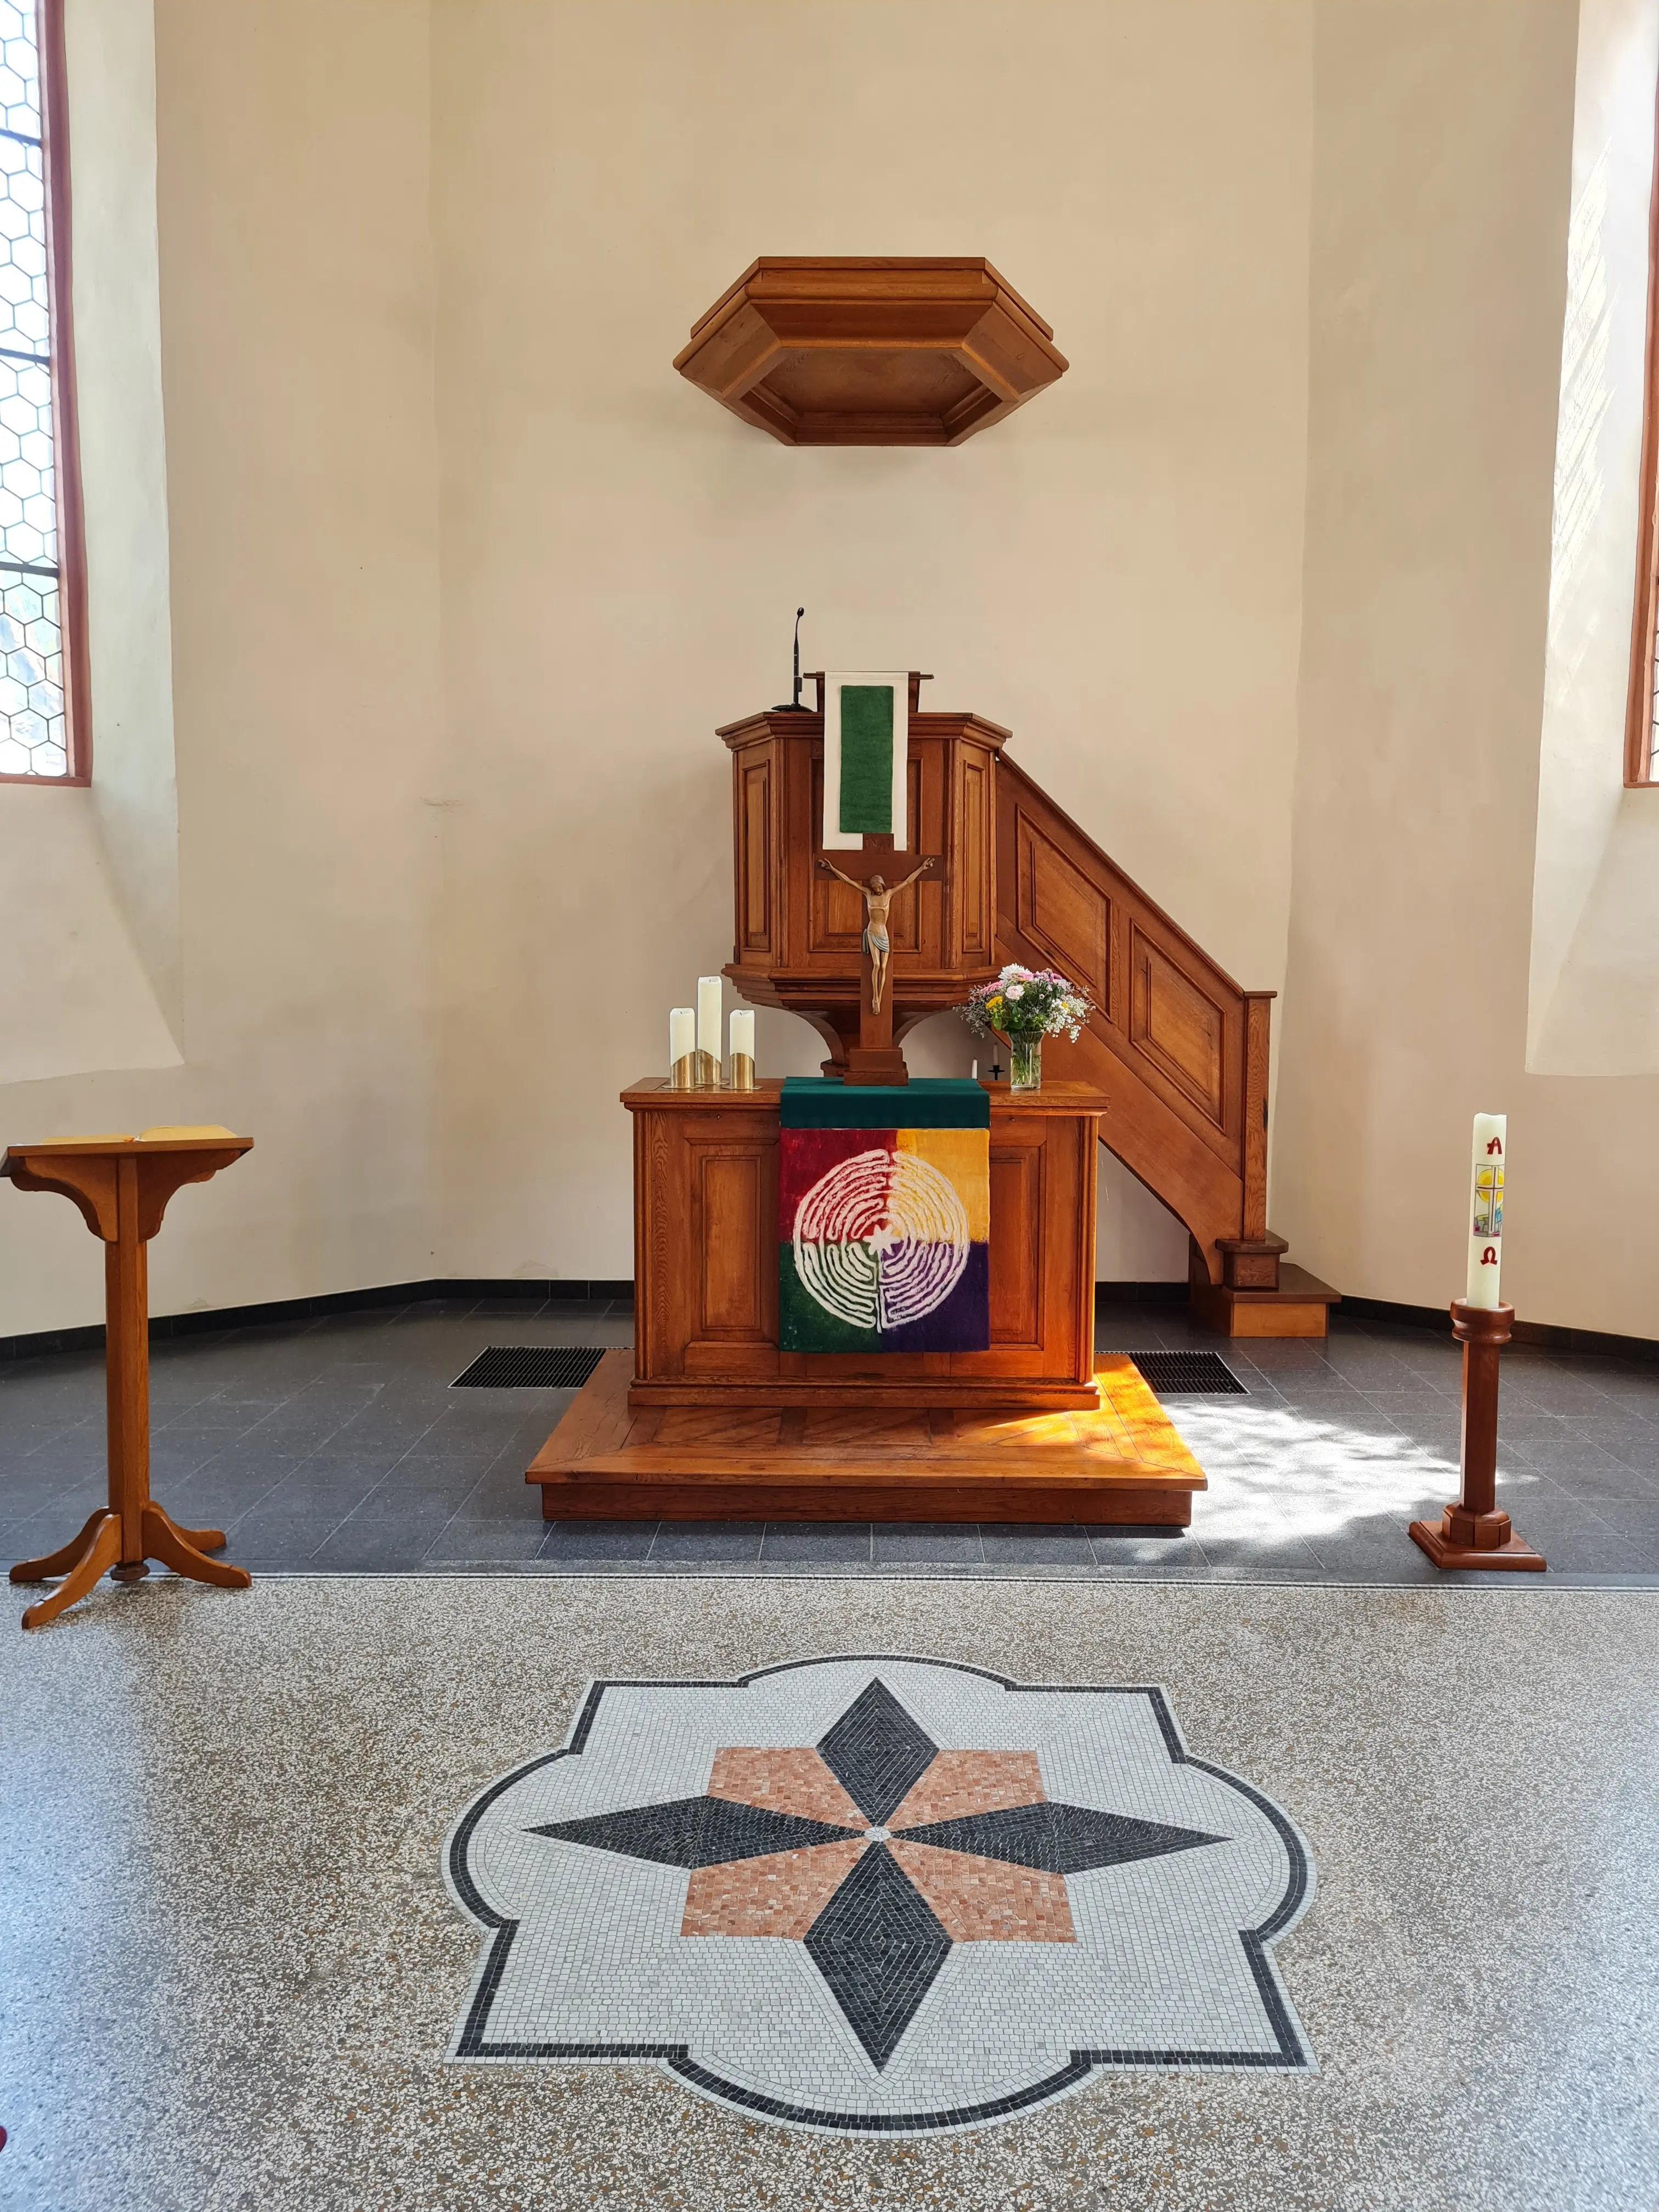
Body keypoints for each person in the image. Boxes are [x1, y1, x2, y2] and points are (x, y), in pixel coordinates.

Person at [816, 855, 934, 1014]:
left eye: (879, 887)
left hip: (883, 933)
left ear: (883, 886)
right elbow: (848, 881)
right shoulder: (867, 895)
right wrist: (832, 869)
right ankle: (875, 999)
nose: (877, 890)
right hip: (872, 931)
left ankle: (880, 995)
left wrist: (922, 868)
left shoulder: (889, 895)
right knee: (876, 965)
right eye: (875, 887)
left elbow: (907, 882)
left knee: (884, 967)